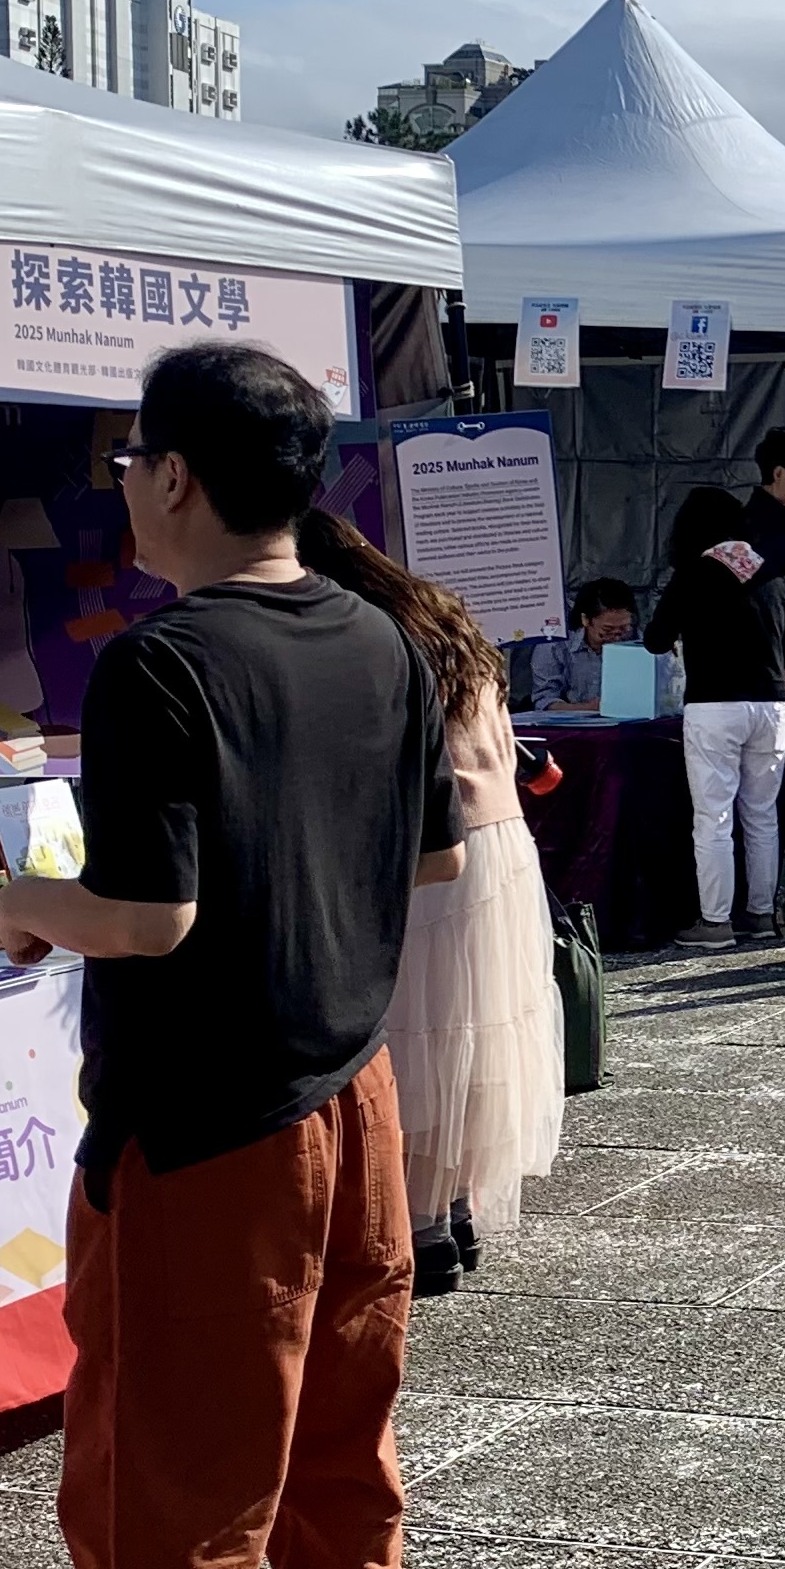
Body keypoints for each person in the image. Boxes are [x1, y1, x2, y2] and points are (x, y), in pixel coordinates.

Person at [0, 344, 462, 1569]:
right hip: (353, 1100)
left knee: (171, 1489)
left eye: (129, 463)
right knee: (339, 1451)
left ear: (175, 476)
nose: (123, 488)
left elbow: (151, 916)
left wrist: (25, 904)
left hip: (207, 1136)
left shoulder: (161, 666)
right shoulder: (381, 639)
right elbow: (436, 864)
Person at [299, 514, 563, 1302]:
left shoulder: (368, 634)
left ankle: (422, 1225)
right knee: (476, 1030)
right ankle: (454, 1210)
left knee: (421, 1032)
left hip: (439, 841)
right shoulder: (443, 614)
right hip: (504, 838)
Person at [654, 433, 785, 942]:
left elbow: (655, 638)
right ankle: (762, 915)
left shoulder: (693, 574)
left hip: (714, 705)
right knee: (762, 815)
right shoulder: (771, 573)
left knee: (714, 817)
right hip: (771, 706)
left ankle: (715, 921)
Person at [558, 577, 638, 707]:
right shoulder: (558, 645)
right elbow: (544, 700)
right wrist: (586, 708)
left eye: (624, 629)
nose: (616, 638)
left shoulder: (639, 644)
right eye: (607, 630)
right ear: (586, 620)